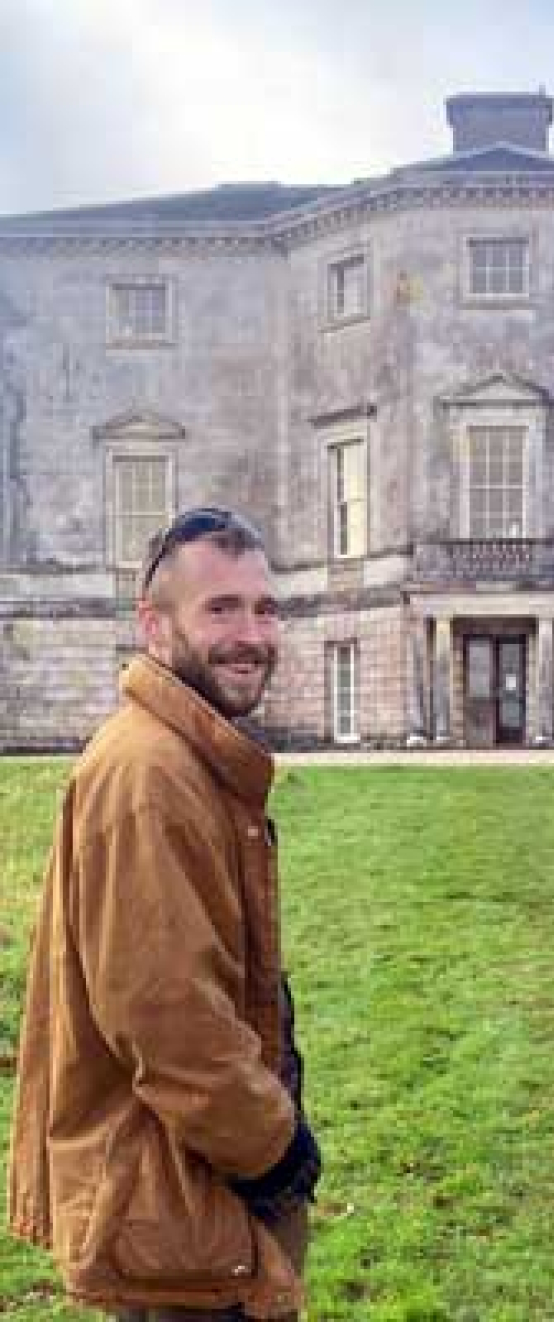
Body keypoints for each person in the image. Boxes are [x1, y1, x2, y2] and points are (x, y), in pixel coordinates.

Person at [6, 506, 321, 1321]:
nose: (251, 634)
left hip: (185, 1199)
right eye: (220, 609)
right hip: (175, 1215)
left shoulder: (188, 757)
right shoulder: (149, 774)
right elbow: (168, 1023)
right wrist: (278, 1153)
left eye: (264, 608)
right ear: (155, 625)